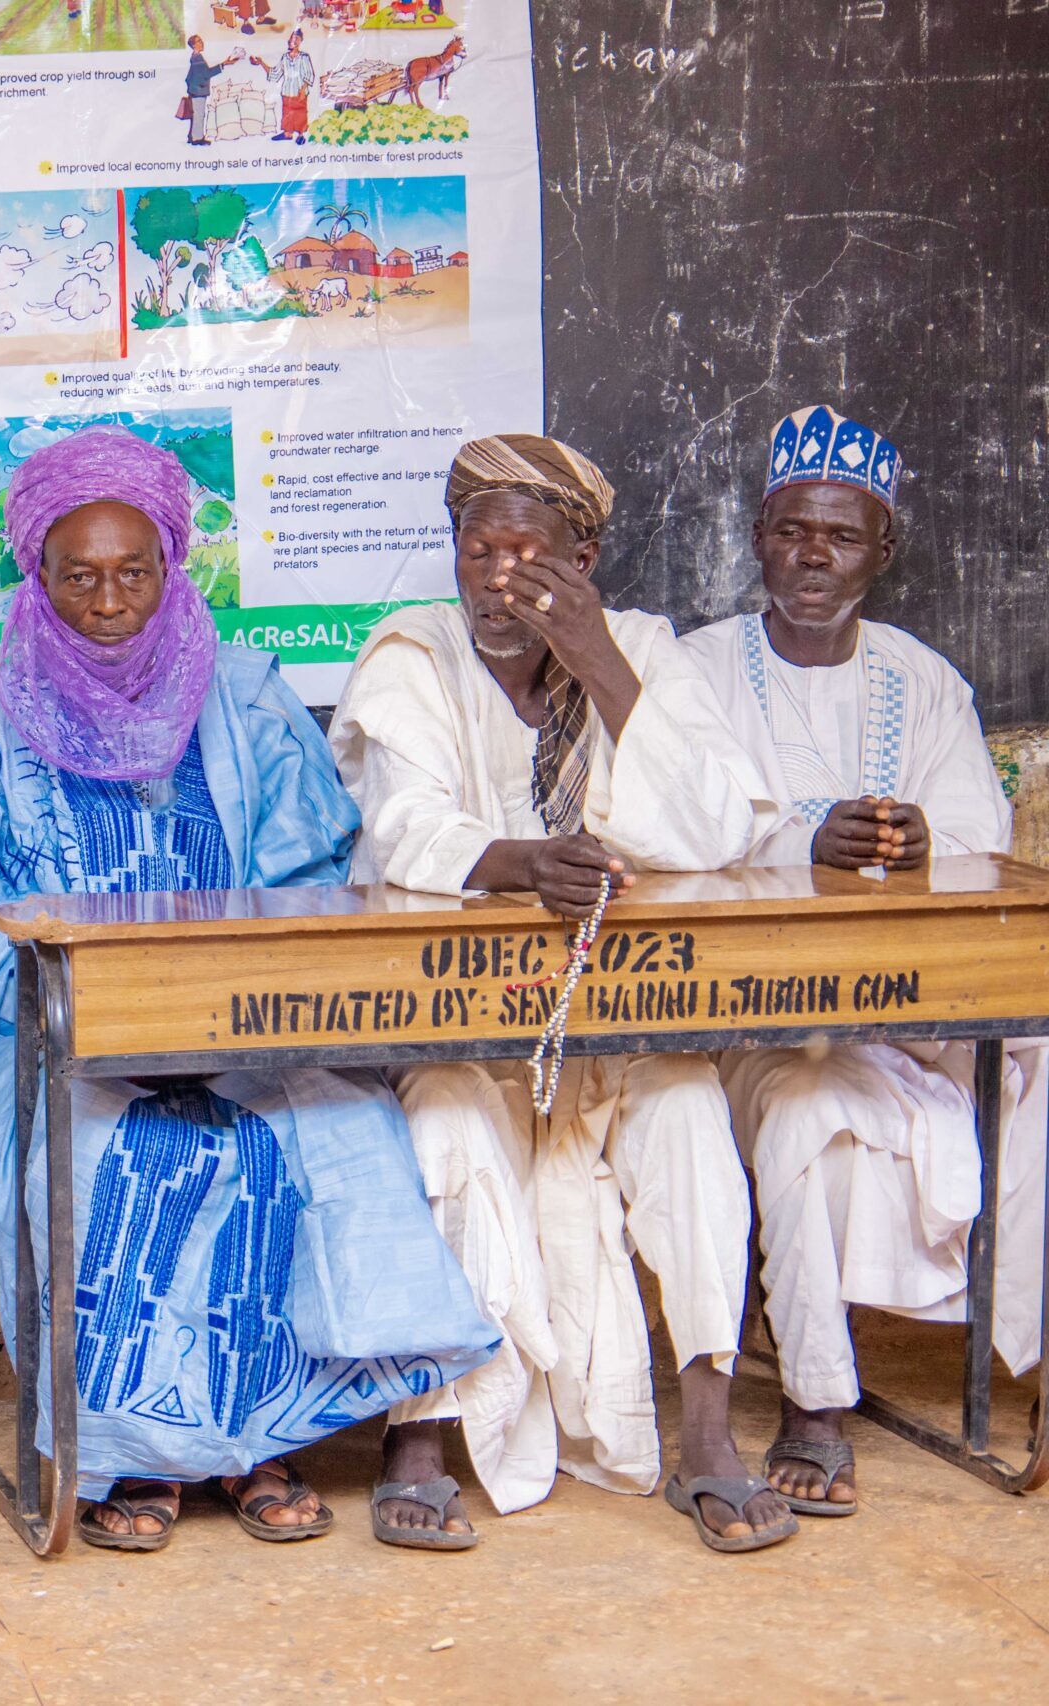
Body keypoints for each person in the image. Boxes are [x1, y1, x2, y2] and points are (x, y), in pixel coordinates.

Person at [0, 428, 497, 1552]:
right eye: (79, 574)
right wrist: (58, 964)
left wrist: (220, 969)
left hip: (238, 1012)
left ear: (173, 565)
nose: (108, 600)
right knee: (114, 1157)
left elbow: (313, 875)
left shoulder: (242, 697)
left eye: (133, 571)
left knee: (304, 1135)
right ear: (36, 577)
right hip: (47, 1027)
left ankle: (257, 1441)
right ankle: (122, 1451)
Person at [328, 434, 796, 1554]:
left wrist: (596, 660)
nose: (497, 576)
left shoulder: (640, 650)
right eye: (475, 547)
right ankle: (420, 1432)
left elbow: (715, 826)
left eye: (526, 551)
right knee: (441, 1119)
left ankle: (705, 1431)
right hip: (456, 1020)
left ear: (582, 555)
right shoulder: (409, 656)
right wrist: (519, 861)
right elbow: (402, 827)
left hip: (607, 1014)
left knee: (686, 1109)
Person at [682, 405, 1046, 1517]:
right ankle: (814, 1400)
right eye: (792, 530)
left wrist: (928, 842)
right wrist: (800, 837)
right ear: (757, 536)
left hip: (909, 996)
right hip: (759, 1010)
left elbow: (976, 839)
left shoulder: (923, 678)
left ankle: (1024, 1368)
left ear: (881, 551)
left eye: (840, 536)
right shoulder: (697, 670)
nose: (812, 555)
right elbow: (669, 832)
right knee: (800, 1104)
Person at [182, 33, 242, 146]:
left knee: (197, 114)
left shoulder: (195, 57)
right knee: (199, 114)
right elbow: (206, 73)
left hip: (196, 90)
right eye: (199, 41)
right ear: (194, 45)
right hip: (199, 91)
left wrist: (191, 86)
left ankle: (194, 136)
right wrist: (224, 64)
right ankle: (197, 139)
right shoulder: (197, 58)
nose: (202, 43)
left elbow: (189, 77)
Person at [259, 29, 314, 142]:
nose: (292, 41)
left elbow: (309, 74)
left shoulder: (304, 57)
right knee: (287, 113)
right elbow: (275, 74)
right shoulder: (285, 57)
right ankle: (287, 134)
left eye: (296, 39)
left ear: (300, 41)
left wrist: (303, 90)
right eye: (291, 39)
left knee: (300, 113)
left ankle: (301, 135)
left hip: (299, 91)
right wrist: (261, 63)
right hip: (287, 91)